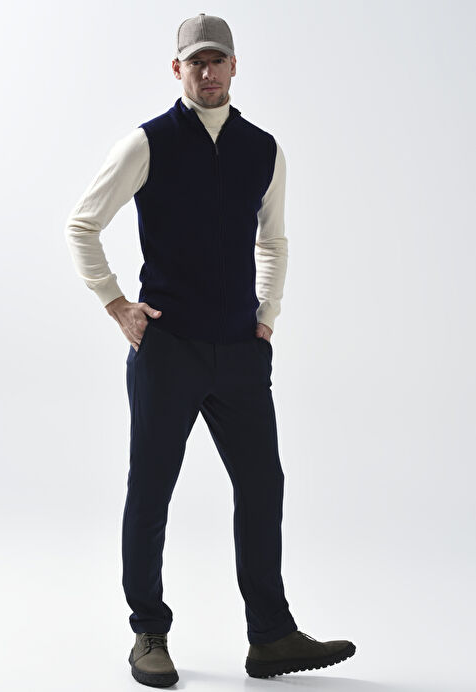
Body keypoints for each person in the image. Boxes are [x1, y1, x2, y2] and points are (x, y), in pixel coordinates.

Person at [65, 12, 356, 689]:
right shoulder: (148, 142)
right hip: (166, 347)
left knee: (262, 485)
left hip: (240, 352)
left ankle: (271, 636)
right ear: (178, 69)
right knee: (152, 490)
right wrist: (116, 303)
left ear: (233, 66)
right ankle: (148, 631)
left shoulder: (262, 148)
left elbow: (273, 240)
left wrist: (266, 317)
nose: (207, 71)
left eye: (217, 60)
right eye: (195, 61)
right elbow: (82, 223)